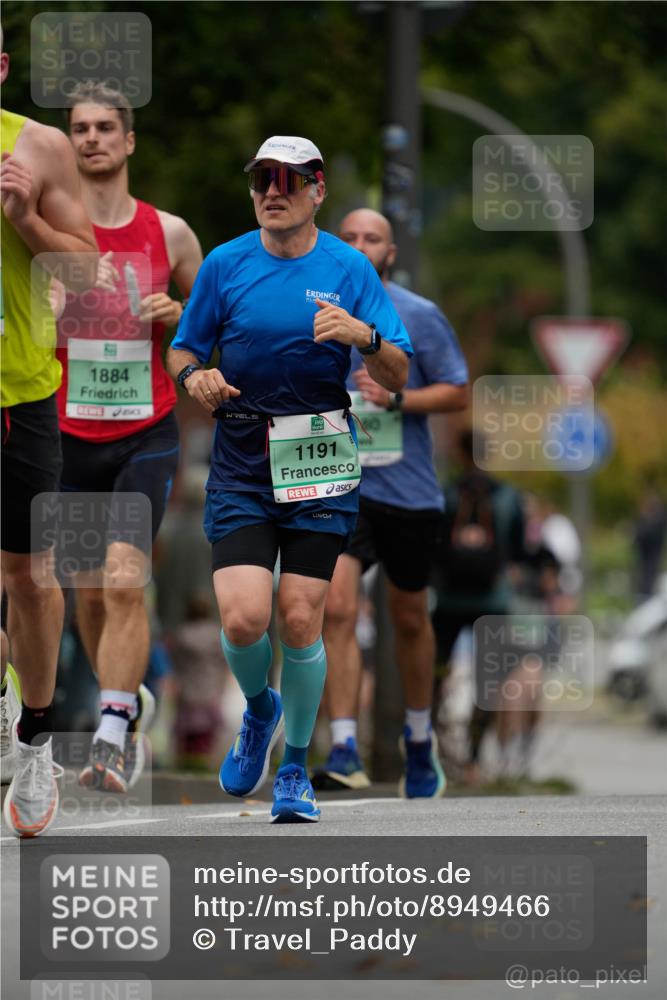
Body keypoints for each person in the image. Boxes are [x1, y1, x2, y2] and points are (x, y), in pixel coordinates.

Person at [167, 136, 412, 823]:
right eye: (261, 179)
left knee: (302, 615)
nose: (273, 190)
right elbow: (182, 346)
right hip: (243, 456)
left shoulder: (349, 267)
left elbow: (396, 371)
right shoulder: (225, 263)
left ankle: (295, 767)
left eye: (288, 180)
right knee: (245, 619)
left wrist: (362, 337)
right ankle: (259, 710)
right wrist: (196, 376)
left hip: (319, 457)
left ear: (317, 189)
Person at [55, 82, 202, 793]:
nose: (91, 139)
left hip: (145, 430)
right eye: (79, 128)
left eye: (105, 127)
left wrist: (175, 314)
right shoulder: (48, 233)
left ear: (129, 140)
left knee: (122, 581)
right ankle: (129, 700)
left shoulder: (169, 233)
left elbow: (212, 335)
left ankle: (112, 731)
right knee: (88, 596)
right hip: (66, 431)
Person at [313, 209, 469, 797]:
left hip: (406, 490)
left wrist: (399, 399)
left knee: (408, 618)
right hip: (338, 483)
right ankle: (346, 746)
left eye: (370, 238)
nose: (358, 245)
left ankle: (419, 738)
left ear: (390, 251)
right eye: (348, 237)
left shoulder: (419, 315)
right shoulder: (315, 304)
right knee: (337, 609)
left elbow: (458, 390)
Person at [0, 36, 98, 837]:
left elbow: (82, 271)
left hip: (18, 392)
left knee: (28, 577)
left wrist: (27, 218)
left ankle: (33, 735)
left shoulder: (39, 149)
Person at [432, 429, 526, 784]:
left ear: (458, 453)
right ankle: (472, 758)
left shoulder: (446, 494)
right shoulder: (508, 497)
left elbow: (434, 544)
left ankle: (435, 747)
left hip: (449, 600)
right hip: (494, 601)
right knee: (489, 681)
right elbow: (517, 551)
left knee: (436, 672)